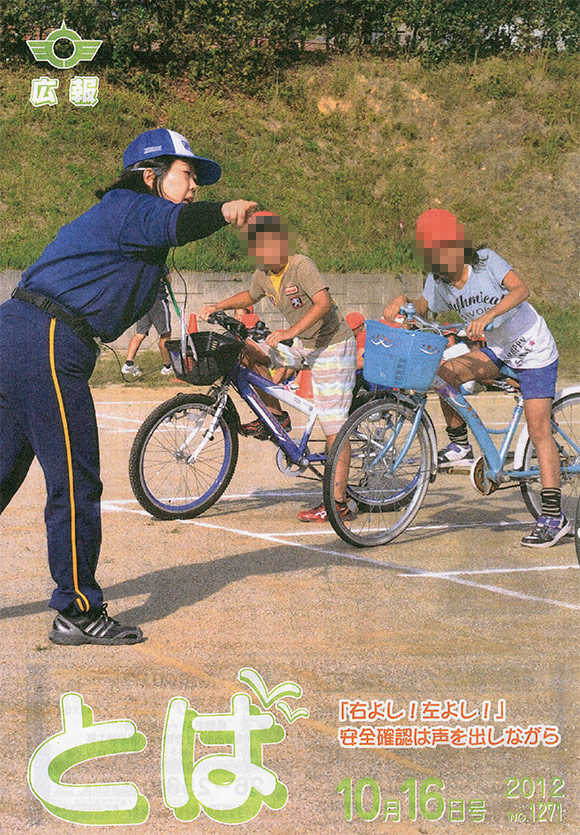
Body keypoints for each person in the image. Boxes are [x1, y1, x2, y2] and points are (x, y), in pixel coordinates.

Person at [0, 128, 257, 644]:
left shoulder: (132, 226)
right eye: (186, 176)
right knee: (75, 481)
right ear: (150, 175)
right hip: (48, 338)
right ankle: (76, 611)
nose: (193, 188)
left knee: (3, 470)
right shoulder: (130, 206)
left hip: (21, 334)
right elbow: (180, 222)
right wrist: (227, 211)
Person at [383, 207, 567, 548]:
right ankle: (460, 445)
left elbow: (521, 290)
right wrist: (403, 302)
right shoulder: (438, 279)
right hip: (498, 351)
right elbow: (424, 307)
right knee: (442, 373)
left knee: (539, 430)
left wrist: (489, 314)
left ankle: (553, 517)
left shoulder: (484, 260)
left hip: (534, 350)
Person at [199, 211, 357, 522]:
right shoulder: (263, 272)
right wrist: (217, 306)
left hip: (333, 347)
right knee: (246, 352)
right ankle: (275, 415)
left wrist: (289, 333)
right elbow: (252, 294)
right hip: (303, 346)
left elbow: (323, 303)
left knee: (333, 427)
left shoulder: (301, 265)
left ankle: (339, 503)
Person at [122, 283, 173, 377]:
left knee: (140, 333)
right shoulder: (159, 267)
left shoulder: (140, 267)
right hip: (157, 300)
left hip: (143, 301)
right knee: (165, 334)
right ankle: (167, 367)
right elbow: (167, 279)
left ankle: (128, 364)